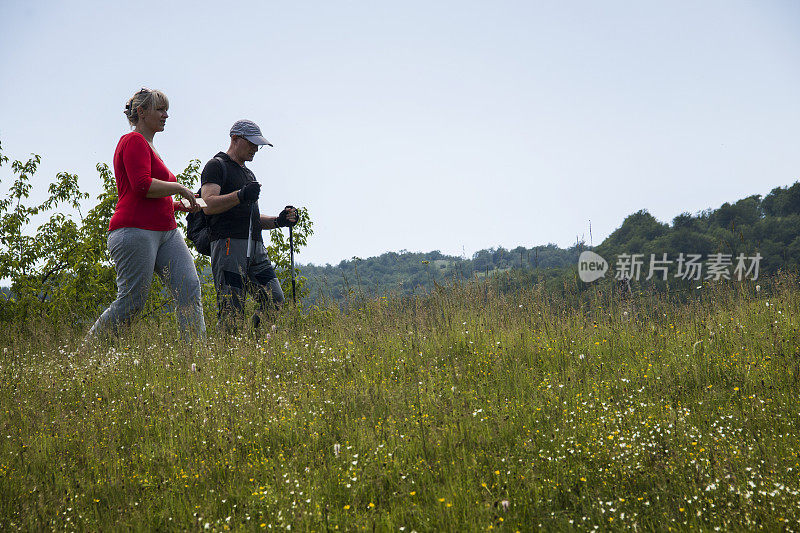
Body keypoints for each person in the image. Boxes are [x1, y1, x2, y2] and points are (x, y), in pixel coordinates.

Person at [87, 88, 206, 341]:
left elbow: (151, 194)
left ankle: (196, 357)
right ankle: (89, 351)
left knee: (189, 288)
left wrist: (175, 205)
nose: (165, 115)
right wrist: (180, 188)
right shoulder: (133, 141)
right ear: (141, 112)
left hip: (166, 231)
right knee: (133, 301)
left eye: (167, 110)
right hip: (134, 231)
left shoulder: (150, 145)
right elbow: (141, 186)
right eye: (160, 110)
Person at [200, 119, 297, 330]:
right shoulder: (216, 166)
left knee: (275, 300)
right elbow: (207, 204)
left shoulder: (248, 173)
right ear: (235, 138)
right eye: (252, 143)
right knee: (231, 309)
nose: (256, 149)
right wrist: (241, 194)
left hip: (255, 249)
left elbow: (252, 218)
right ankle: (227, 356)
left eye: (258, 145)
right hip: (228, 246)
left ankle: (253, 346)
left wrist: (279, 221)